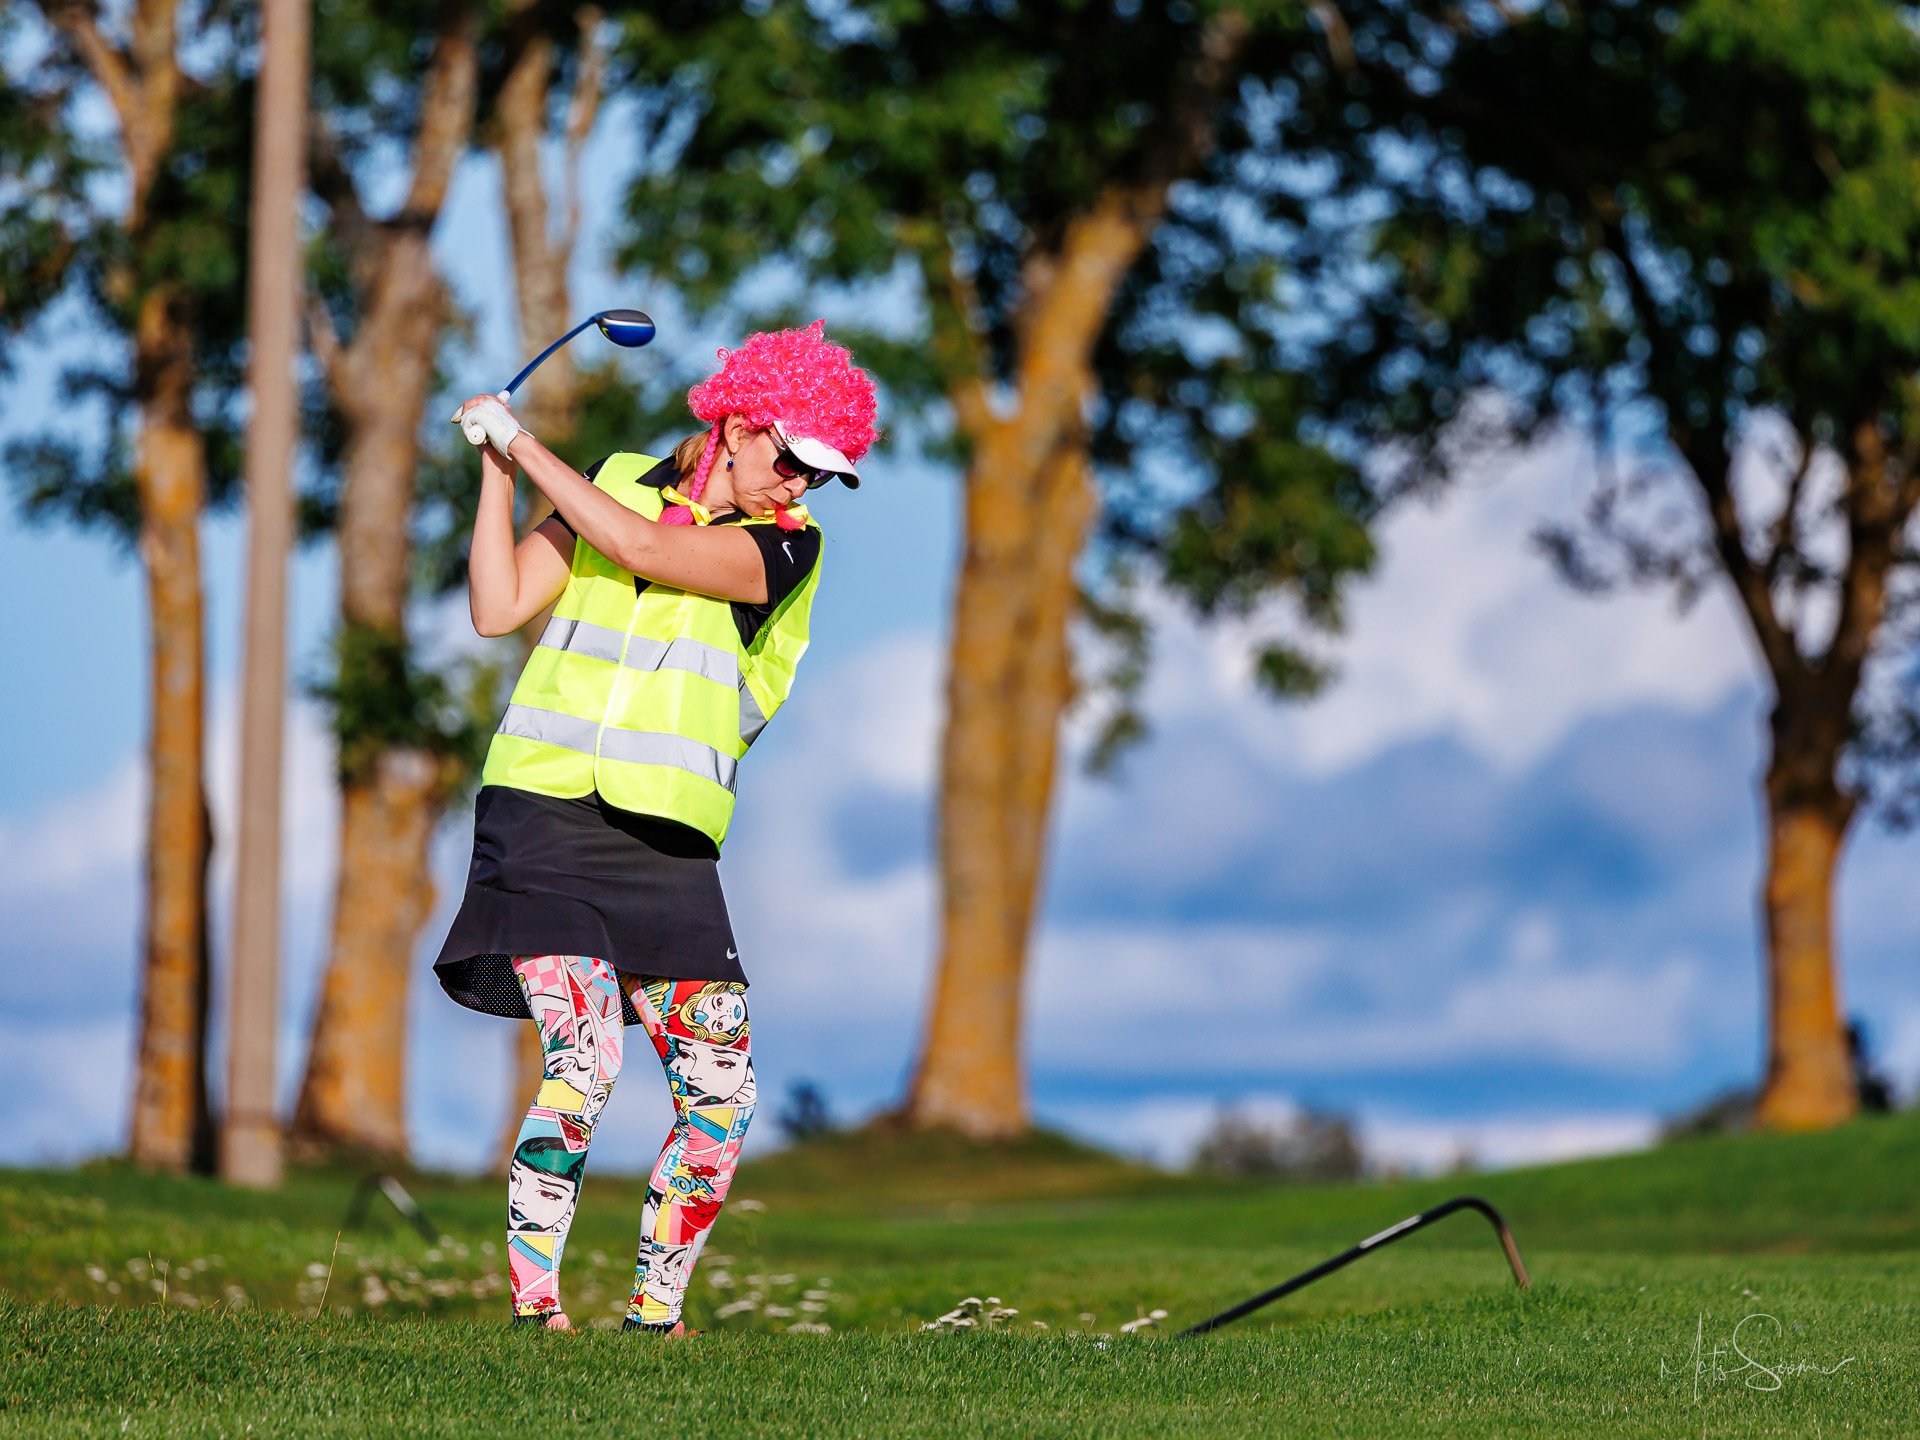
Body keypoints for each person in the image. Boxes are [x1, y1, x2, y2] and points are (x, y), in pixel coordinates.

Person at [434, 319, 878, 1336]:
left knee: (721, 1099)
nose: (803, 486)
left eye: (824, 473)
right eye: (795, 460)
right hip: (539, 816)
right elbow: (499, 606)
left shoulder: (786, 549)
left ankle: (654, 1316)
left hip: (666, 846)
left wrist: (523, 444)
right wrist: (495, 471)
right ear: (737, 423)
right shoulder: (615, 477)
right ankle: (536, 1317)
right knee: (582, 1065)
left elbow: (643, 550)